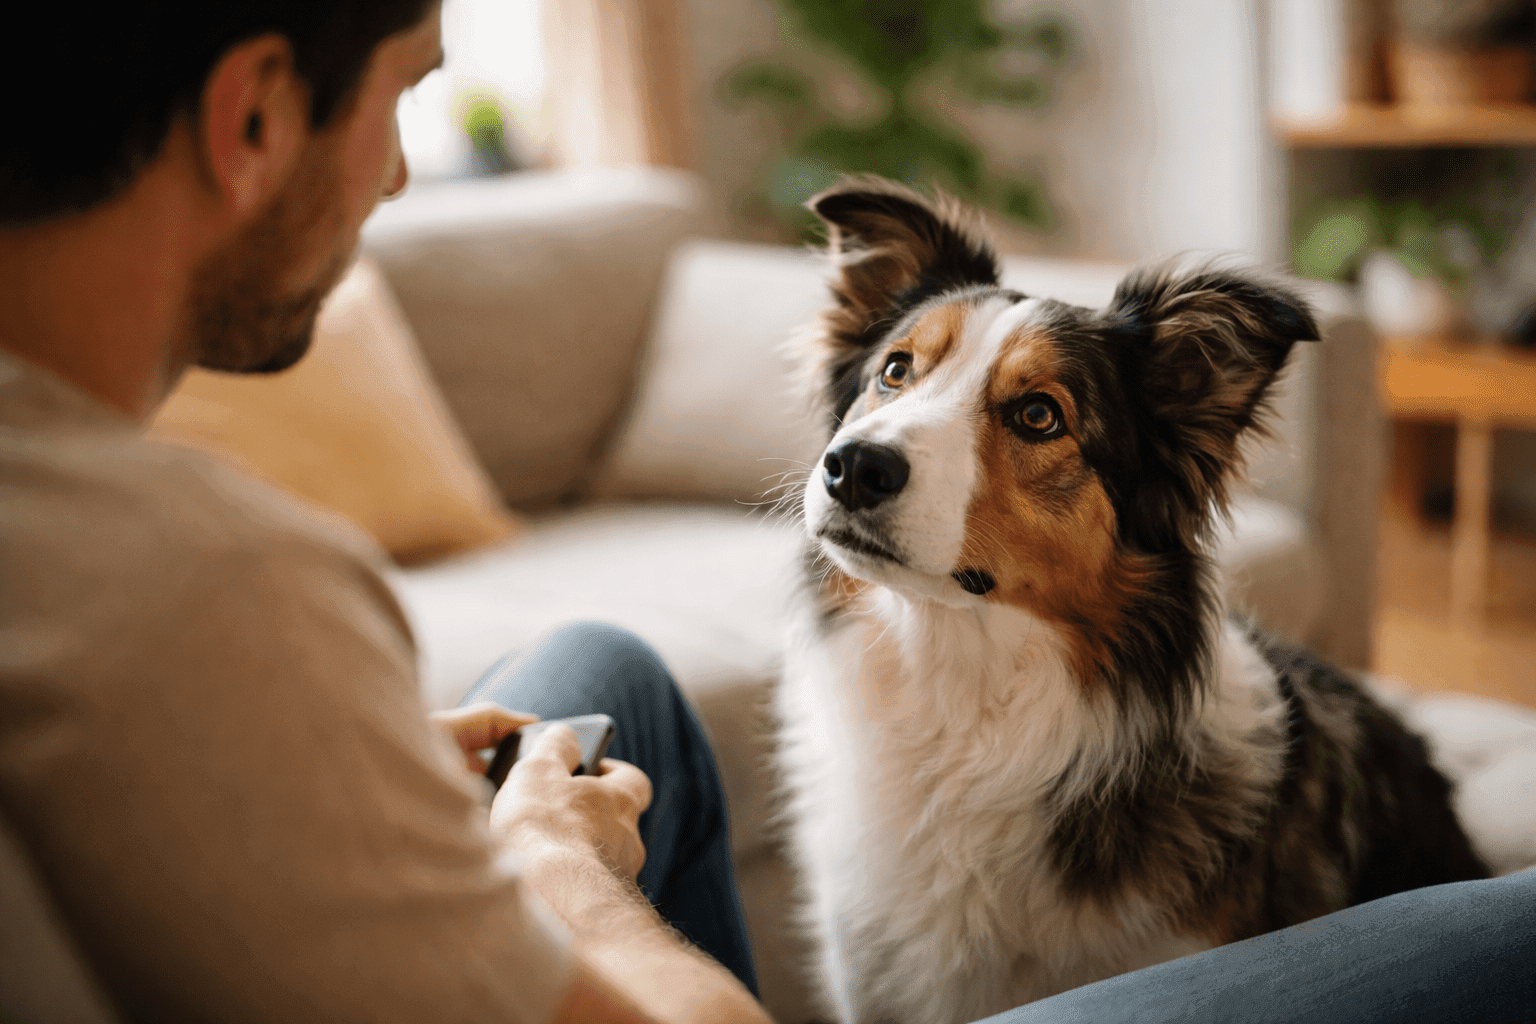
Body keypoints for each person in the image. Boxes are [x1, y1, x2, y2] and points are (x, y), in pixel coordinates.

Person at [0, 3, 1531, 1023]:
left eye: (1031, 421)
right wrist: (553, 868)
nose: (402, 175)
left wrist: (367, 775)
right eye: (404, 96)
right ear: (254, 115)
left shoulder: (85, 529)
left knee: (596, 667)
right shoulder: (217, 587)